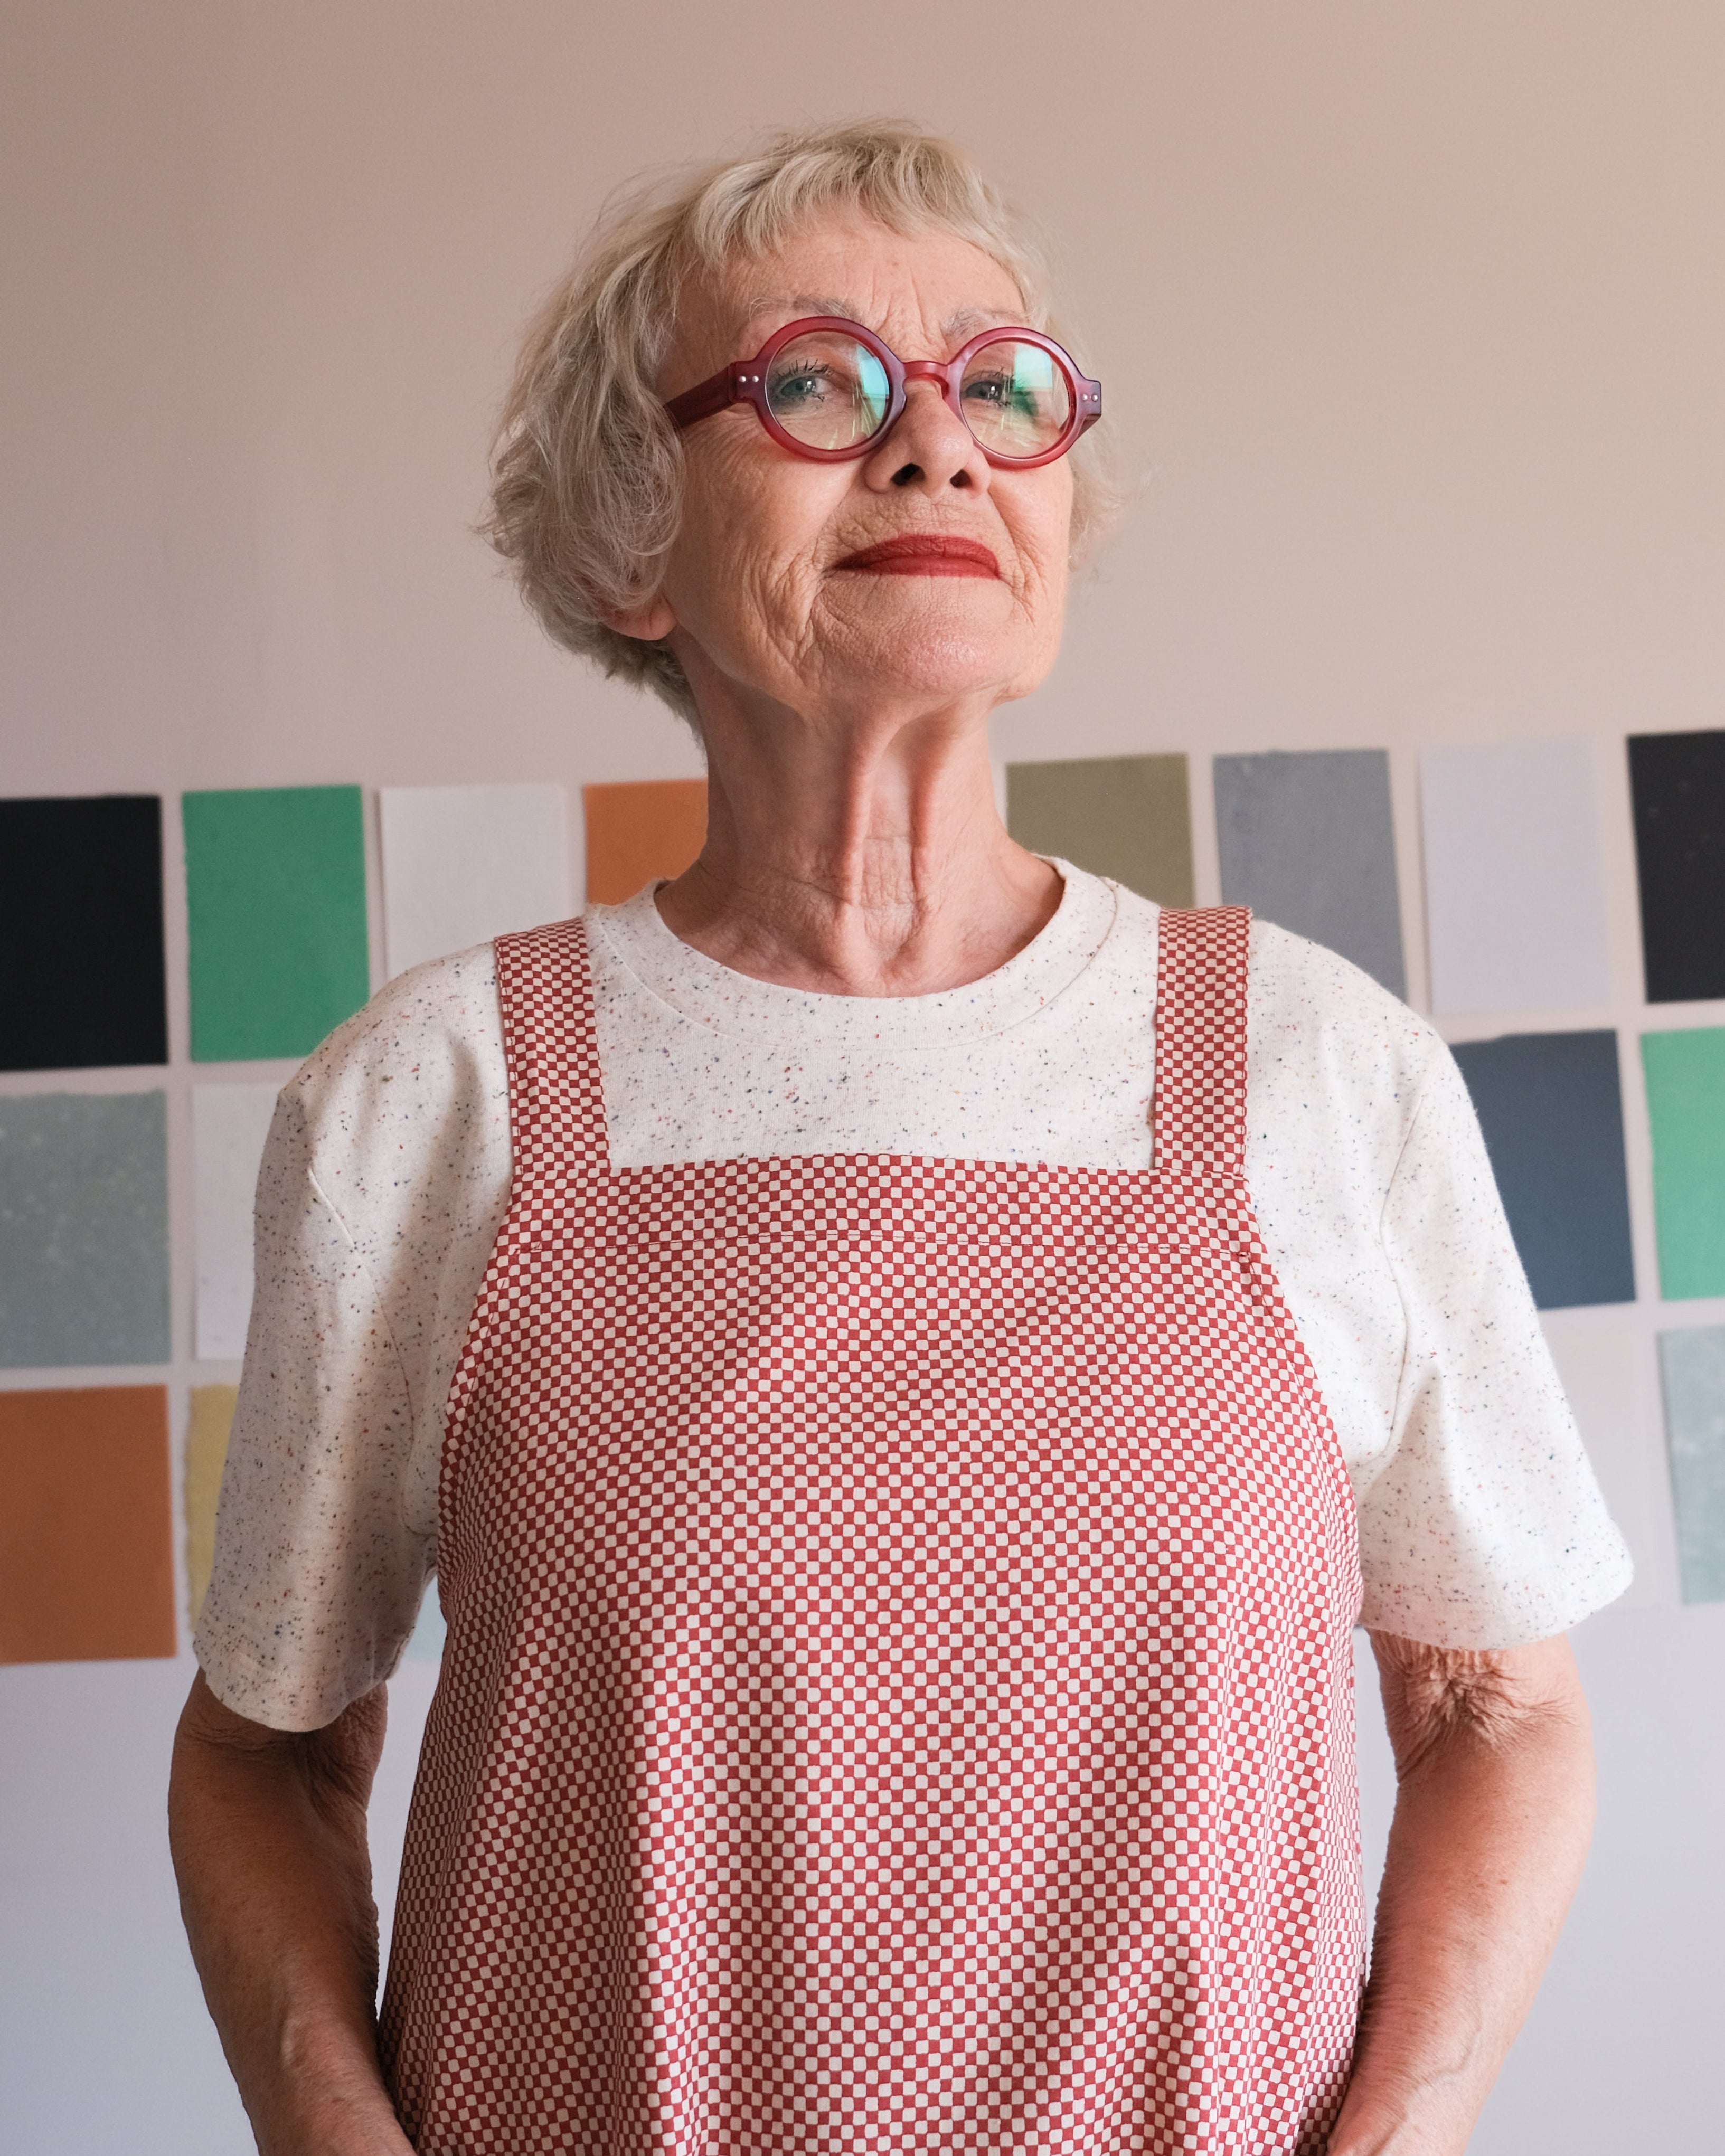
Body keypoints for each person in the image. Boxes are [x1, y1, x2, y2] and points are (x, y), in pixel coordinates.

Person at [169, 122, 1630, 2156]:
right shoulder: (431, 1098)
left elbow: (1498, 1711)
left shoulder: (1319, 1068)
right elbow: (268, 1755)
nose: (936, 444)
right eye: (817, 381)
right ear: (630, 545)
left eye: (999, 389)